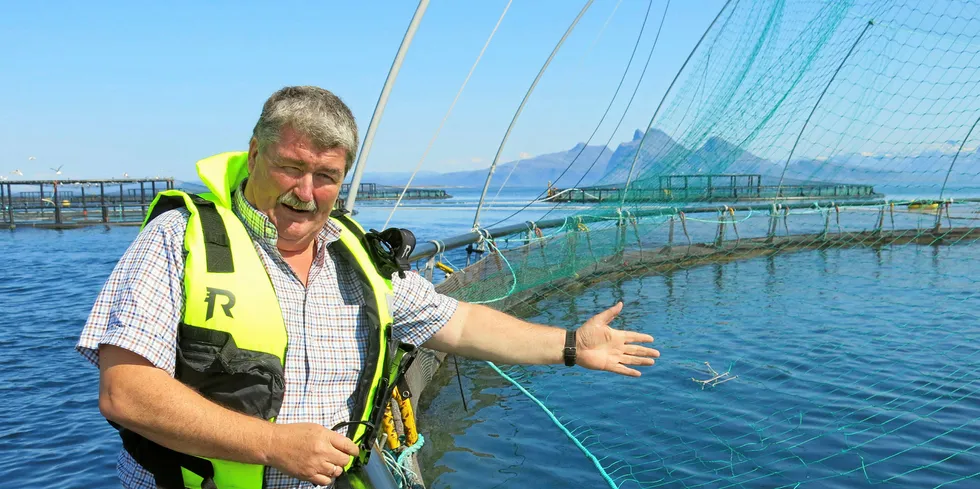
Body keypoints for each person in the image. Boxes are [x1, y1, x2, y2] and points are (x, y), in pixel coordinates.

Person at [76, 86, 660, 489]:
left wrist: (568, 346)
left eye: (326, 176)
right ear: (254, 155)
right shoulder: (179, 240)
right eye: (289, 167)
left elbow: (457, 322)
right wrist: (272, 445)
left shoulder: (353, 255)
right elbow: (127, 393)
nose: (306, 191)